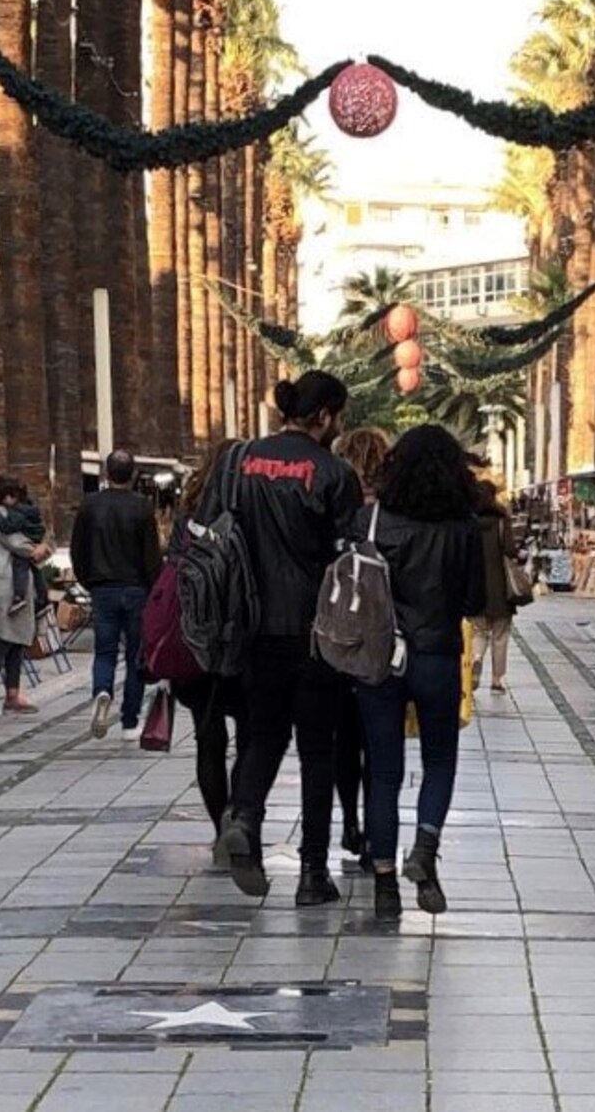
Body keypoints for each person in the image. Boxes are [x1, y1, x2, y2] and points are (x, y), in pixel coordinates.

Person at [213, 372, 363, 905]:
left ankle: (246, 817)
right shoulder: (333, 472)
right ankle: (311, 874)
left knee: (264, 733)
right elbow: (351, 560)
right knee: (318, 752)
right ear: (324, 414)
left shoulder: (239, 462)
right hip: (315, 631)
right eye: (339, 415)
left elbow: (213, 532)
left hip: (252, 626)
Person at [352, 424, 485, 919]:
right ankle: (425, 846)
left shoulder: (372, 520)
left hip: (381, 659)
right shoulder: (464, 527)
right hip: (437, 656)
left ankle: (384, 884)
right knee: (440, 761)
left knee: (383, 772)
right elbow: (474, 601)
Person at [167, 442, 247, 847]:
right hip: (244, 640)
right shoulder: (249, 513)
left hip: (196, 641)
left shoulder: (188, 517)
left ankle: (221, 830)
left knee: (208, 737)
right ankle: (243, 820)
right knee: (253, 736)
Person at [330, 427, 392, 867]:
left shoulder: (337, 512)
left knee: (343, 738)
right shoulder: (391, 516)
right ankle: (373, 830)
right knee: (376, 740)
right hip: (380, 641)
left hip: (339, 637)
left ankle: (350, 818)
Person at [72, 449, 164, 741]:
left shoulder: (90, 506)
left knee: (105, 651)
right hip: (136, 589)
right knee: (137, 655)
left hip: (103, 588)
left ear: (106, 474)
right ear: (133, 474)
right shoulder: (142, 507)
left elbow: (78, 550)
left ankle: (102, 690)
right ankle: (129, 721)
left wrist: (89, 581)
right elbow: (151, 555)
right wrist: (155, 588)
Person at [0, 476, 50, 718]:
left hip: (15, 583)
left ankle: (12, 693)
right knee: (1, 639)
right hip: (2, 584)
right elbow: (15, 542)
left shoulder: (7, 515)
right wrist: (36, 549)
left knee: (17, 640)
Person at [472, 475, 516, 694]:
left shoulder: (469, 520)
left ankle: (476, 659)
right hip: (500, 589)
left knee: (478, 632)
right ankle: (497, 680)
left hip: (476, 588)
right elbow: (510, 550)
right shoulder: (501, 520)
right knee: (500, 635)